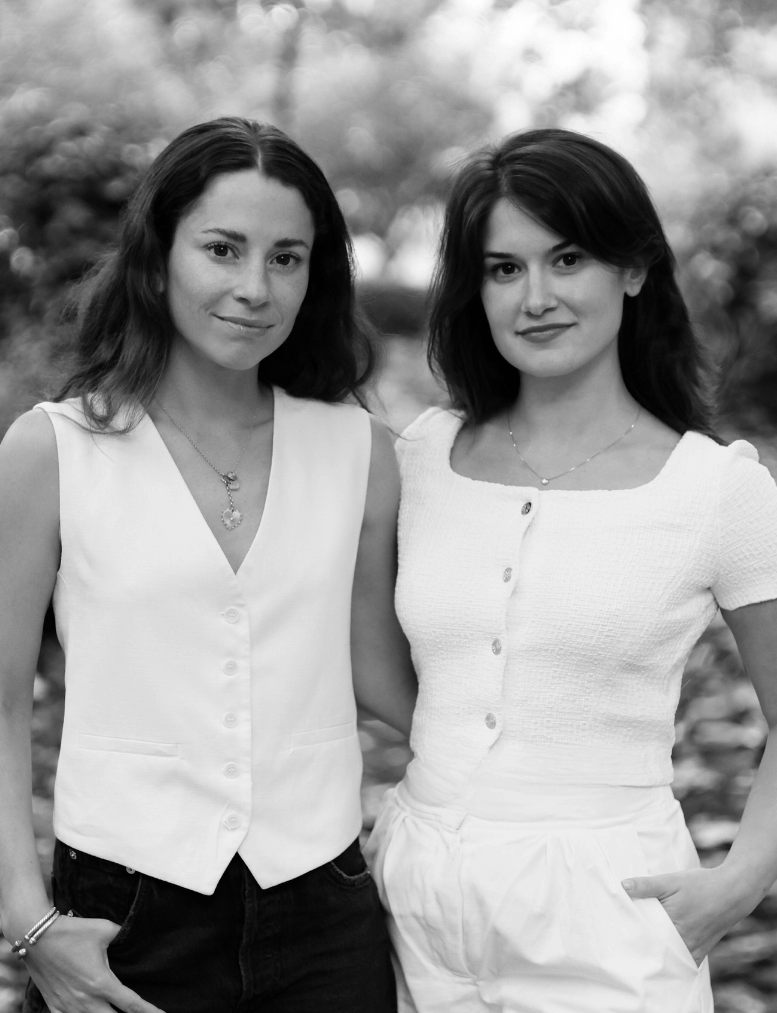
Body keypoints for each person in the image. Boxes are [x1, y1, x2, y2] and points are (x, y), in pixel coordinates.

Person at [0, 116, 416, 1013]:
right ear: (158, 253)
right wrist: (29, 916)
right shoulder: (55, 448)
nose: (255, 287)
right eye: (223, 248)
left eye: (287, 258)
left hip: (325, 912)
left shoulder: (361, 449)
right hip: (120, 916)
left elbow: (373, 668)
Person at [364, 128, 777, 1013]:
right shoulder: (425, 455)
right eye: (503, 269)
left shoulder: (715, 489)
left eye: (568, 258)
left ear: (632, 270)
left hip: (607, 908)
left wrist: (741, 878)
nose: (536, 296)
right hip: (418, 896)